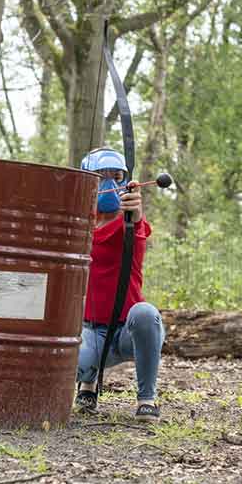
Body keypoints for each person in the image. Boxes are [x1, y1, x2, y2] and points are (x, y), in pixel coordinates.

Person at [74, 148, 165, 423]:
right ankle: (87, 385)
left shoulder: (130, 226)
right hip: (90, 332)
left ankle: (146, 399)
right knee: (76, 361)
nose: (110, 184)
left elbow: (137, 234)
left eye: (117, 177)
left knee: (146, 313)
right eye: (101, 177)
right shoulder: (76, 227)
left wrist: (135, 216)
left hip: (127, 331)